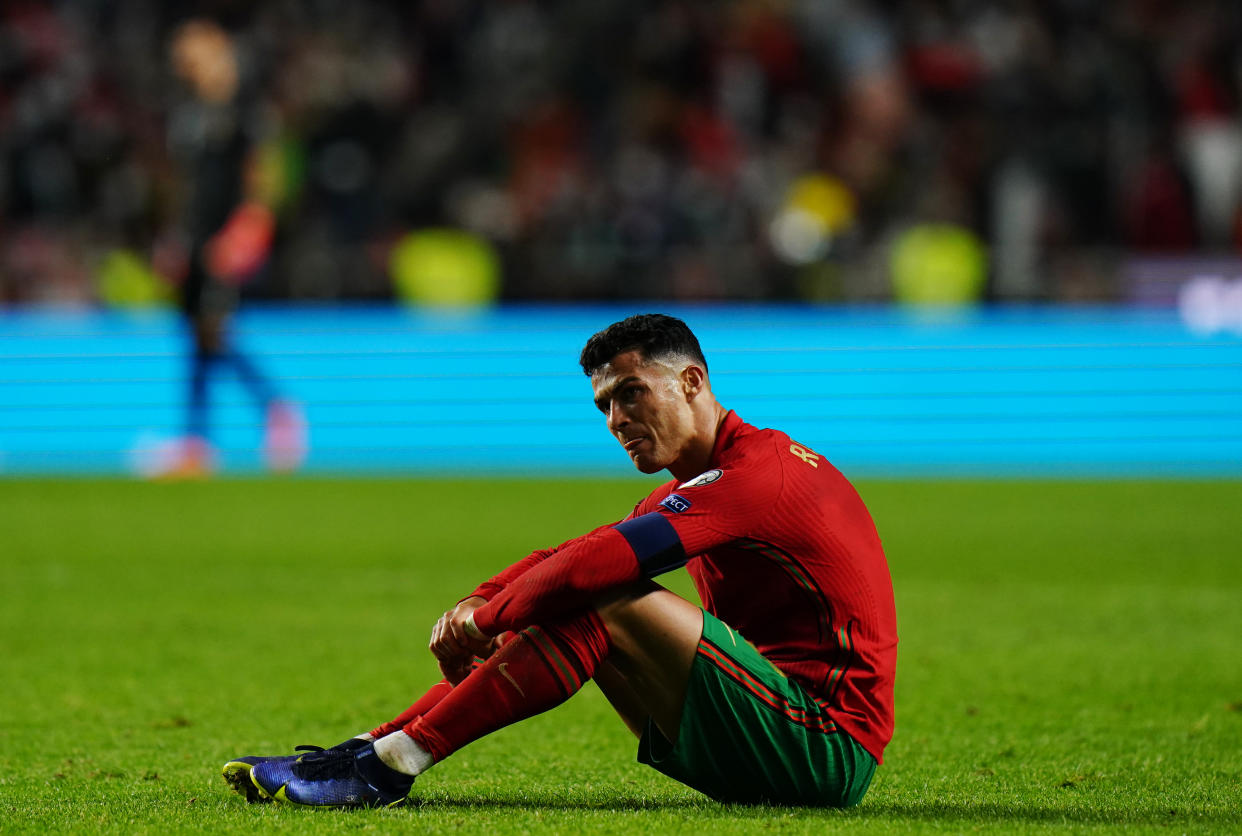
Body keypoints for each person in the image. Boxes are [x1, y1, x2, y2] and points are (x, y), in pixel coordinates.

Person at [223, 313, 897, 807]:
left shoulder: (758, 476)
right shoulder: (697, 486)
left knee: (605, 594)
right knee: (587, 587)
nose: (616, 418)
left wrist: (485, 622)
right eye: (604, 404)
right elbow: (572, 555)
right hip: (760, 731)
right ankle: (369, 752)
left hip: (824, 748)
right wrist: (475, 601)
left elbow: (590, 569)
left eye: (631, 393)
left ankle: (391, 765)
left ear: (692, 381)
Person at [156, 19, 304, 477]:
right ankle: (198, 443)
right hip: (197, 238)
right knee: (199, 336)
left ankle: (273, 409)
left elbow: (264, 173)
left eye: (192, 54)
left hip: (226, 236)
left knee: (213, 331)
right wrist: (175, 238)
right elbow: (186, 185)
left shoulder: (245, 109)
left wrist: (249, 229)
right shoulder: (191, 112)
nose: (183, 64)